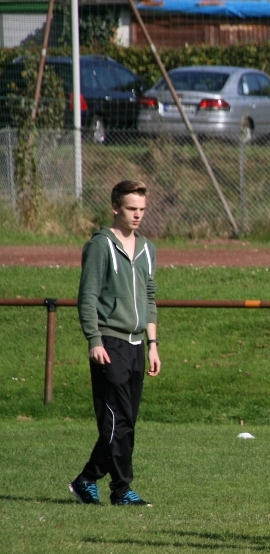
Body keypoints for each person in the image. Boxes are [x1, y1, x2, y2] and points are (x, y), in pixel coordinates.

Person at [69, 180, 160, 506]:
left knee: (125, 422)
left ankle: (87, 478)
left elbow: (150, 298)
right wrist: (94, 340)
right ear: (115, 208)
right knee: (116, 421)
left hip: (138, 346)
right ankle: (122, 489)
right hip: (110, 343)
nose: (137, 215)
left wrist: (153, 344)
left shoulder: (148, 249)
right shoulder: (101, 246)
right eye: (131, 209)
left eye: (142, 210)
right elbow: (87, 296)